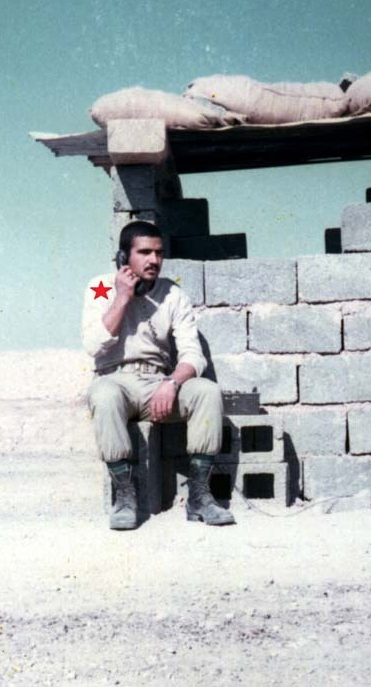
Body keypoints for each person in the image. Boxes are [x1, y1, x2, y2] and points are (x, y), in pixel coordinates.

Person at [81, 221, 234, 530]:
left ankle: (199, 496)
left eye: (159, 253)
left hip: (159, 383)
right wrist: (122, 297)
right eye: (144, 252)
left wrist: (172, 382)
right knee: (103, 395)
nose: (154, 260)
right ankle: (125, 496)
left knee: (207, 391)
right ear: (123, 257)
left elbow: (193, 355)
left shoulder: (172, 294)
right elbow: (93, 344)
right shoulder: (100, 287)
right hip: (116, 379)